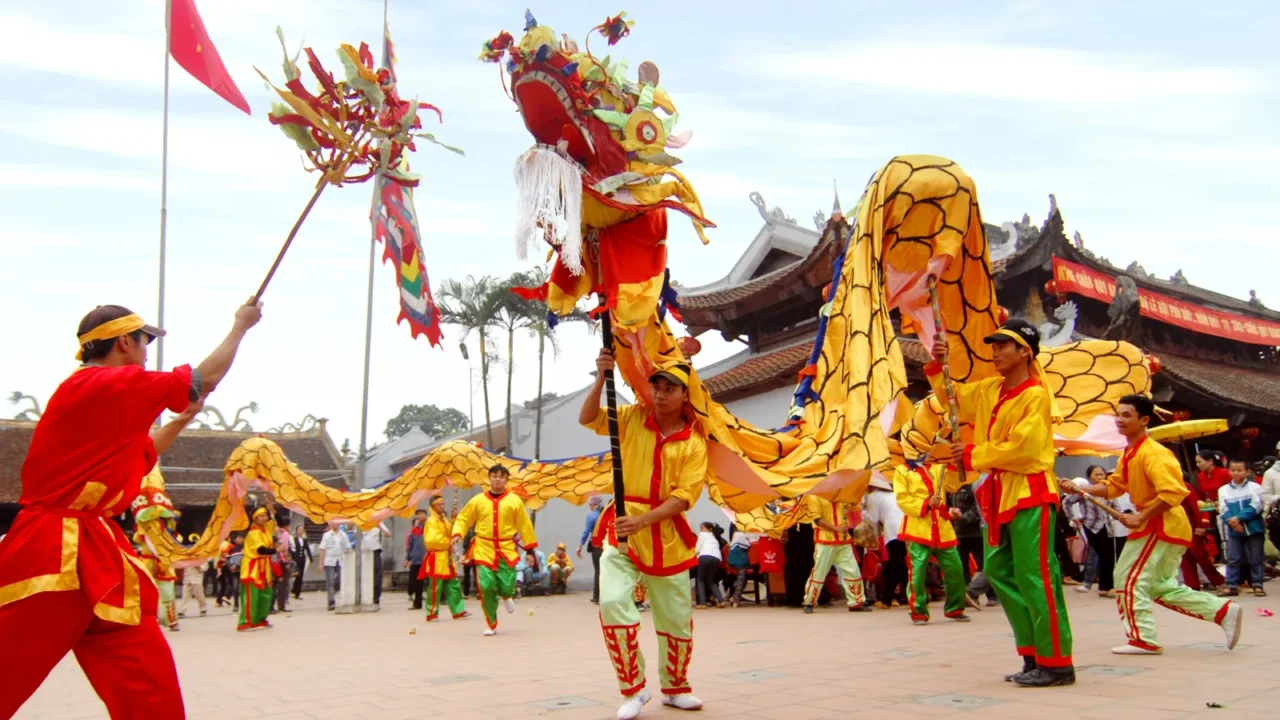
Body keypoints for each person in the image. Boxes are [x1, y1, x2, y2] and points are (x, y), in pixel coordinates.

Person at [0, 299, 261, 717]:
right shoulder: (97, 385)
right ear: (124, 341)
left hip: (98, 546)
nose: (145, 354)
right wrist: (240, 326)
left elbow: (142, 455)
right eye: (143, 343)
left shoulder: (106, 402)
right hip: (51, 547)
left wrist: (179, 421)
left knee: (149, 683)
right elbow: (202, 379)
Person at [928, 319, 1073, 687]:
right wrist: (936, 363)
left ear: (1025, 350)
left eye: (1002, 346)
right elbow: (953, 398)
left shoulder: (1036, 394)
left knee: (1037, 575)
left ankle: (1057, 662)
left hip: (1031, 491)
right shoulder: (991, 389)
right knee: (998, 571)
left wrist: (974, 453)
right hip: (1000, 493)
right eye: (992, 346)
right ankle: (1032, 655)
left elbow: (1024, 449)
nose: (994, 352)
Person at [580, 350, 706, 718]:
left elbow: (684, 498)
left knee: (675, 617)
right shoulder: (633, 417)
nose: (661, 394)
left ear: (686, 395)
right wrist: (602, 376)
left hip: (666, 535)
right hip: (621, 529)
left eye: (670, 388)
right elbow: (588, 417)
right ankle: (633, 689)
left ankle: (676, 687)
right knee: (612, 602)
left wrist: (644, 521)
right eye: (657, 386)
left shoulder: (693, 442)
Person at [1066, 394, 1242, 655]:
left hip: (1158, 524)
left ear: (1144, 420)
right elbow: (1115, 487)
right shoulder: (1130, 453)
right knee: (1158, 586)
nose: (1119, 419)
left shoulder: (1154, 453)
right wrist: (1082, 489)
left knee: (1126, 579)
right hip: (1156, 524)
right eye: (1118, 414)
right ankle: (1221, 611)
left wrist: (1141, 516)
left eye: (1127, 415)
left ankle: (1143, 639)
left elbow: (1172, 493)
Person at [451, 465, 537, 637]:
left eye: (501, 476)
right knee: (485, 585)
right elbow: (464, 517)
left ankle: (506, 596)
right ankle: (491, 623)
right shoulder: (478, 500)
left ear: (506, 480)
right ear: (489, 479)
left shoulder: (514, 501)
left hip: (506, 547)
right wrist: (457, 533)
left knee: (507, 585)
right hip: (484, 548)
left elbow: (524, 526)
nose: (497, 479)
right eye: (494, 476)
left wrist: (530, 550)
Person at [893, 463, 970, 625]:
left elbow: (954, 485)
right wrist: (926, 504)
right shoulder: (902, 470)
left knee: (955, 568)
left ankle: (955, 607)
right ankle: (918, 610)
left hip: (942, 527)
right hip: (918, 528)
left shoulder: (939, 466)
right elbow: (902, 499)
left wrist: (955, 465)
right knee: (917, 571)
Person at [1062, 467, 1127, 598]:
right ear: (1090, 477)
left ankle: (1104, 586)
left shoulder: (1109, 491)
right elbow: (1066, 501)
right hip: (1091, 526)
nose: (1099, 476)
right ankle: (1105, 586)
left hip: (1107, 527)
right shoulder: (1084, 492)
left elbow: (1116, 508)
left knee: (1108, 557)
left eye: (1101, 474)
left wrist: (1121, 517)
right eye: (1096, 474)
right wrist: (1073, 517)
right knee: (1104, 555)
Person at [800, 494, 871, 614]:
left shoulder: (841, 493)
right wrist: (836, 528)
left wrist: (853, 498)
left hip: (843, 540)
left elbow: (853, 508)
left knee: (853, 570)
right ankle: (809, 602)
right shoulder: (813, 496)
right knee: (819, 571)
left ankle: (856, 602)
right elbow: (817, 520)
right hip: (824, 540)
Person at [1218, 459, 1266, 597]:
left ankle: (1257, 584)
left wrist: (1238, 519)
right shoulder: (1223, 490)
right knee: (1233, 558)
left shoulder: (1255, 487)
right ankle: (1232, 585)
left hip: (1254, 528)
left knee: (1256, 558)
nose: (1236, 473)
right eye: (1233, 470)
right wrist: (1233, 523)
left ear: (1247, 472)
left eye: (1239, 470)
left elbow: (1256, 506)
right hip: (1234, 530)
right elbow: (1223, 509)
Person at [421, 495, 470, 622]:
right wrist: (448, 542)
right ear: (433, 506)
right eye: (439, 504)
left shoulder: (443, 520)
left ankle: (458, 610)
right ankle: (431, 613)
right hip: (436, 558)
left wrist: (454, 519)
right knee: (435, 587)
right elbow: (431, 540)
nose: (442, 506)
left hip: (446, 558)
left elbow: (451, 532)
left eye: (442, 504)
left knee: (453, 584)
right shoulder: (431, 521)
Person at [862, 477, 907, 608]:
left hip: (892, 532)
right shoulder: (894, 494)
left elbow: (873, 518)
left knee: (895, 565)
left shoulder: (873, 496)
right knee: (898, 565)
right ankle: (888, 598)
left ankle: (888, 599)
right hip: (904, 529)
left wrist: (864, 513)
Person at [1179, 473, 1224, 592]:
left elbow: (1194, 507)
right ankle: (1192, 586)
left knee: (1201, 556)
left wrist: (1200, 527)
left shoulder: (1185, 486)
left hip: (1191, 526)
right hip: (1176, 528)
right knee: (1185, 559)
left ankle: (1218, 581)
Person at [239, 506, 277, 631]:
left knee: (265, 594)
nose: (265, 518)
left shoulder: (266, 529)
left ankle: (260, 619)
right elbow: (261, 550)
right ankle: (247, 622)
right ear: (255, 519)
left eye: (266, 515)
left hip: (264, 566)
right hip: (253, 566)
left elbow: (278, 522)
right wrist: (276, 550)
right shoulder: (253, 533)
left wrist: (273, 510)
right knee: (252, 595)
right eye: (262, 516)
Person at [318, 522, 352, 611]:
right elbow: (322, 549)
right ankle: (331, 601)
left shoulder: (343, 535)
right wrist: (320, 563)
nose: (334, 525)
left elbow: (348, 547)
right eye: (332, 524)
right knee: (330, 581)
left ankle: (334, 591)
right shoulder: (326, 535)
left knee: (341, 579)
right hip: (329, 560)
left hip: (340, 560)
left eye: (336, 523)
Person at [577, 495, 604, 603]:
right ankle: (599, 596)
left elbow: (586, 532)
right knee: (603, 571)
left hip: (596, 545)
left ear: (594, 505)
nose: (590, 507)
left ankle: (597, 596)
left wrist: (580, 546)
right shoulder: (604, 515)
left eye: (590, 505)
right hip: (606, 545)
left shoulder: (592, 516)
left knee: (598, 570)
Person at [695, 522, 727, 609]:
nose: (701, 530)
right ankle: (721, 601)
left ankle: (702, 603)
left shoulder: (702, 535)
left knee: (700, 579)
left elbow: (697, 549)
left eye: (702, 528)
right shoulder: (716, 538)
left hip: (704, 556)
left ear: (710, 529)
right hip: (716, 558)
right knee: (711, 581)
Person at [362, 520, 390, 605]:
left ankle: (376, 598)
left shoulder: (378, 522)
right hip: (364, 552)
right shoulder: (361, 522)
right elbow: (355, 534)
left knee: (377, 575)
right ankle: (365, 597)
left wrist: (379, 526)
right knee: (365, 576)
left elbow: (388, 534)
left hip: (375, 551)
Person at [405, 509, 429, 610]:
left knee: (431, 581)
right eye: (418, 515)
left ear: (425, 515)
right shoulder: (414, 530)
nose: (419, 516)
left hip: (428, 558)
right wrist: (408, 558)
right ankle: (417, 603)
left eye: (421, 514)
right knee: (417, 583)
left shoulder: (430, 527)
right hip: (416, 559)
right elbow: (410, 545)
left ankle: (434, 602)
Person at [272, 516, 294, 614]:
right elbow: (283, 548)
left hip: (272, 560)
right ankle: (281, 605)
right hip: (280, 561)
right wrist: (286, 561)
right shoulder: (284, 534)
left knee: (273, 584)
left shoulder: (273, 531)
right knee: (282, 584)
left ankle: (271, 606)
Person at [727, 530, 752, 607]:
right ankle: (736, 600)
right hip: (739, 560)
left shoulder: (736, 535)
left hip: (736, 559)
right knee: (741, 579)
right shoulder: (740, 535)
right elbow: (747, 545)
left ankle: (734, 597)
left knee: (743, 579)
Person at [290, 523, 312, 600]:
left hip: (302, 559)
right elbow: (292, 550)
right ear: (296, 531)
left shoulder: (304, 540)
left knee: (301, 576)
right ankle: (293, 590)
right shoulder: (294, 539)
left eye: (302, 529)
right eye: (299, 529)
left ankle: (297, 593)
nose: (301, 531)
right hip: (296, 559)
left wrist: (310, 558)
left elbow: (307, 549)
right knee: (297, 575)